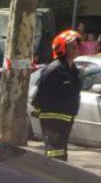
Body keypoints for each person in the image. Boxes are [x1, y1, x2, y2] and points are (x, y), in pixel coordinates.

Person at [31, 30, 81, 160]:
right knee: (55, 153)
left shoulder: (73, 70)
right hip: (53, 119)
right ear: (61, 48)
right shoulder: (53, 70)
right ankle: (49, 179)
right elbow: (41, 93)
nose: (76, 48)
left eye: (77, 45)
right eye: (72, 46)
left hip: (66, 118)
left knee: (61, 153)